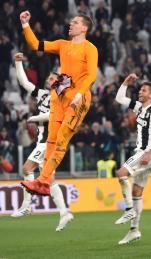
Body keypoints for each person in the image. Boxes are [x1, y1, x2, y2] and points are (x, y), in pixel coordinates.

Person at [19, 10, 98, 195]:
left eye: (76, 22)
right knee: (52, 139)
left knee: (62, 138)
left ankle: (43, 180)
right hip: (59, 96)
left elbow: (92, 75)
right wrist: (25, 24)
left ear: (84, 28)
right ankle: (43, 182)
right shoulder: (63, 45)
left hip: (78, 99)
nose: (71, 24)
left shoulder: (89, 48)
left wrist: (79, 94)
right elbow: (35, 44)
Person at [11, 52, 73, 232]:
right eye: (49, 77)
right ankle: (64, 213)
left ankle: (26, 206)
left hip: (49, 141)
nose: (49, 79)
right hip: (43, 140)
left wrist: (33, 117)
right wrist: (18, 63)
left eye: (54, 77)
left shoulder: (63, 98)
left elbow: (54, 116)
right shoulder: (43, 95)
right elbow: (24, 83)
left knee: (27, 168)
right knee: (49, 178)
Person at [114, 73, 151, 245]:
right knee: (137, 191)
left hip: (146, 153)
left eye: (143, 90)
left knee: (121, 173)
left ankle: (128, 209)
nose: (140, 92)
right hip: (143, 152)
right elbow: (120, 97)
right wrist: (125, 83)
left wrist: (149, 153)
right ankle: (134, 230)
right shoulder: (140, 108)